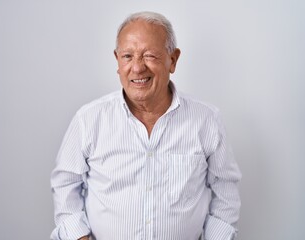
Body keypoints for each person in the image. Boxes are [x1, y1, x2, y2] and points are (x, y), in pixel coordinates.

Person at [50, 11, 241, 240]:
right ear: (117, 61)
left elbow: (226, 191)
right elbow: (65, 184)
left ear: (173, 59)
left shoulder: (207, 120)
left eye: (149, 55)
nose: (138, 68)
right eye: (128, 56)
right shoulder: (89, 119)